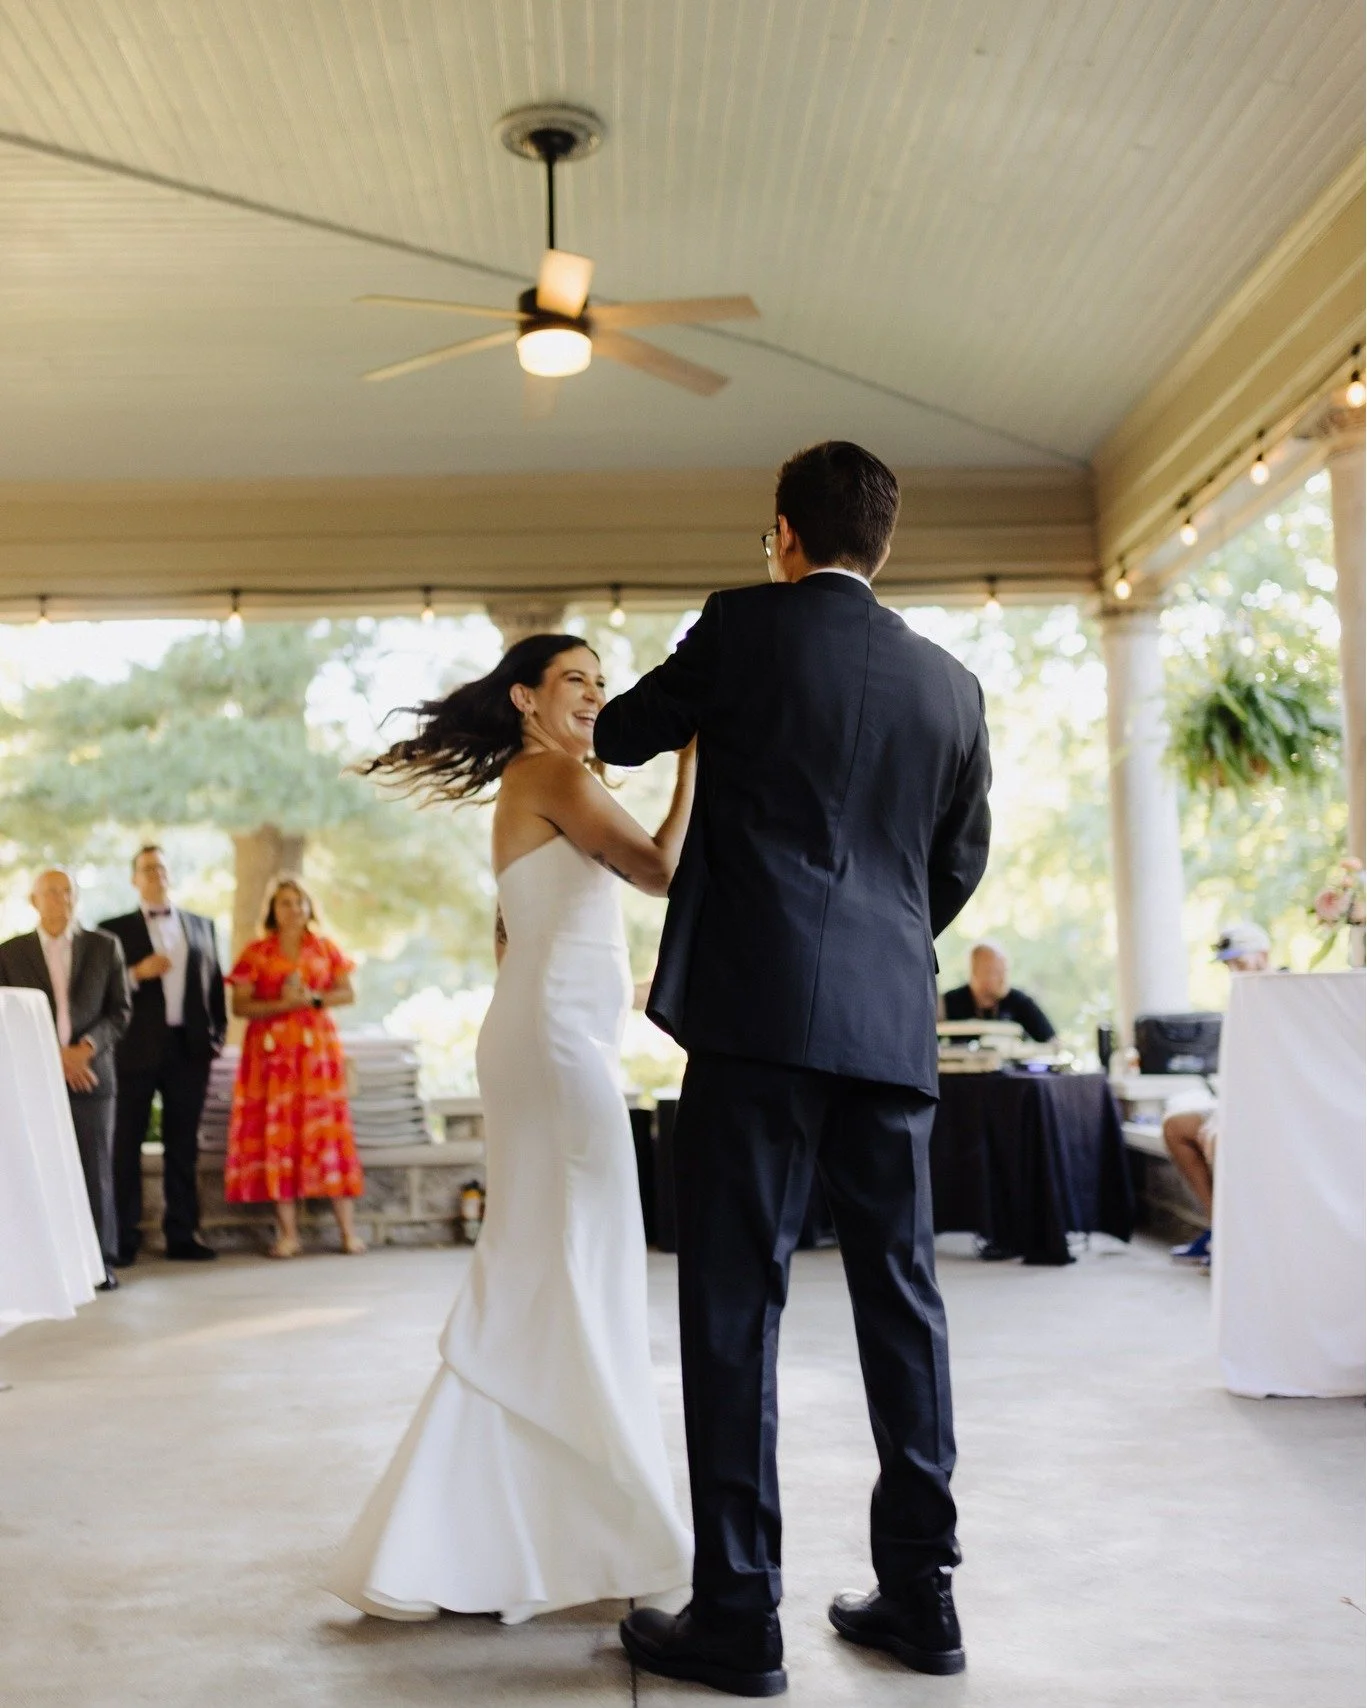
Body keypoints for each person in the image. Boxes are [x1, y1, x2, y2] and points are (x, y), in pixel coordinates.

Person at [594, 439, 991, 1694]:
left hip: (756, 1017)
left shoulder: (739, 627)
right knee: (902, 1299)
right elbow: (955, 860)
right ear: (884, 543)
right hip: (886, 1025)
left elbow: (617, 729)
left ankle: (738, 1613)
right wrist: (875, 943)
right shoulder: (951, 686)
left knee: (732, 1298)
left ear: (779, 531)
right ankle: (922, 1601)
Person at [325, 634, 695, 1624]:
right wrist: (697, 758)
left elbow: (522, 927)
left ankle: (519, 1520)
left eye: (600, 683)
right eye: (575, 680)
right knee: (572, 1258)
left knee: (556, 1263)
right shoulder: (547, 773)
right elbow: (657, 868)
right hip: (554, 1055)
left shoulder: (549, 780)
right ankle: (583, 1516)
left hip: (555, 1041)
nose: (594, 695)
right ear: (527, 699)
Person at [0, 870, 131, 1289]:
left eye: (68, 892)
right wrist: (54, 1057)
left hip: (92, 1076)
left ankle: (98, 1263)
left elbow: (119, 1012)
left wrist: (84, 1050)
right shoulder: (9, 953)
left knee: (96, 1170)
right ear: (34, 901)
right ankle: (45, 1266)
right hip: (33, 1078)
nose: (62, 899)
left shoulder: (105, 946)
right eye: (52, 893)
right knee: (38, 1171)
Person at [224, 878, 365, 1259]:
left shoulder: (324, 948)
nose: (293, 909)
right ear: (273, 910)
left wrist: (313, 998)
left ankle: (348, 1232)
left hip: (316, 1056)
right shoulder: (256, 952)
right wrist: (283, 1004)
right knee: (279, 1135)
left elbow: (347, 992)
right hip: (270, 1058)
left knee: (328, 1133)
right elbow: (240, 1006)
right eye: (285, 903)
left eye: (299, 902)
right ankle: (288, 1234)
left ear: (309, 907)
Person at [100, 846, 227, 1265]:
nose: (156, 875)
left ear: (171, 876)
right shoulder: (111, 930)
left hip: (189, 1051)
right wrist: (137, 973)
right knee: (125, 1145)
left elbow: (214, 986)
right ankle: (123, 1238)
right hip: (134, 1048)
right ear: (135, 879)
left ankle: (183, 1234)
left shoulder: (201, 926)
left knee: (183, 1146)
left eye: (161, 868)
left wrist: (216, 1037)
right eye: (147, 869)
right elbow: (101, 992)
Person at [1165, 921, 1271, 1269]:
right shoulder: (1241, 1002)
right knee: (1176, 1125)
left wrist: (1225, 1119)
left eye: (1239, 963)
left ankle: (1243, 1241)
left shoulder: (1282, 999)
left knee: (1222, 1138)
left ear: (1264, 957)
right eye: (1229, 966)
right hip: (1237, 1102)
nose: (1234, 972)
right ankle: (1220, 1231)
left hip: (1268, 1109)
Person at [940, 939, 1056, 1043]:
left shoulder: (1019, 1002)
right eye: (995, 972)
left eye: (1004, 971)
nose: (1002, 979)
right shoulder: (949, 1002)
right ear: (975, 972)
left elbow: (1052, 1041)